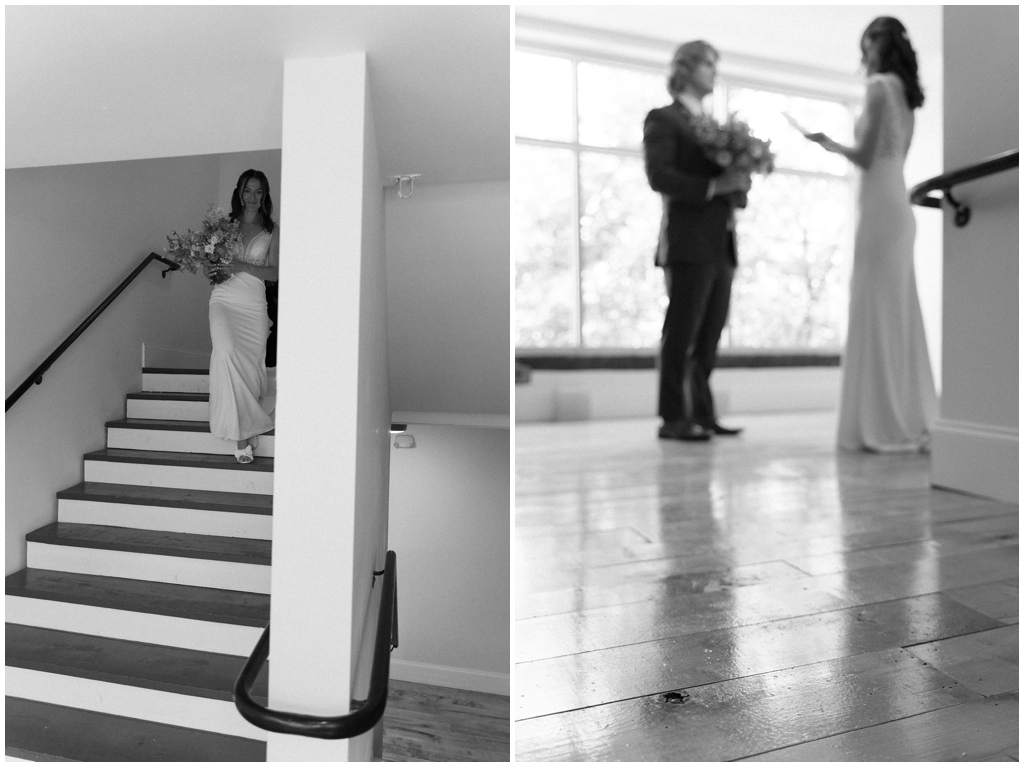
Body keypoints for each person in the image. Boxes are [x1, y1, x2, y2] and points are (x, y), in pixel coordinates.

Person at [804, 17, 937, 452]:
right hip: (897, 204)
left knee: (873, 309)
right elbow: (893, 156)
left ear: (877, 46)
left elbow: (864, 156)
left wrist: (828, 144)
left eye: (867, 45)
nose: (864, 55)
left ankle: (879, 420)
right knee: (897, 314)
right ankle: (906, 412)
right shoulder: (909, 98)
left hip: (880, 208)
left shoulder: (879, 87)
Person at [643, 40, 750, 442]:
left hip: (722, 244)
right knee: (682, 334)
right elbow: (660, 177)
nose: (713, 71)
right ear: (685, 69)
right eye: (707, 64)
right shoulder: (664, 119)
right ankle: (673, 419)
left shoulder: (717, 127)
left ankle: (702, 414)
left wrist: (738, 185)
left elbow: (729, 189)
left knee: (709, 335)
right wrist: (714, 184)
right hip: (687, 244)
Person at [203, 169, 280, 463]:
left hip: (254, 303)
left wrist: (240, 266)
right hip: (224, 298)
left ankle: (247, 422)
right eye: (248, 191)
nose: (253, 197)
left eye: (259, 191)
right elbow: (213, 267)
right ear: (239, 192)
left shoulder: (272, 229)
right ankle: (241, 435)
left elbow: (274, 272)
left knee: (249, 364)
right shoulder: (223, 226)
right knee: (226, 351)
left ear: (265, 195)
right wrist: (212, 270)